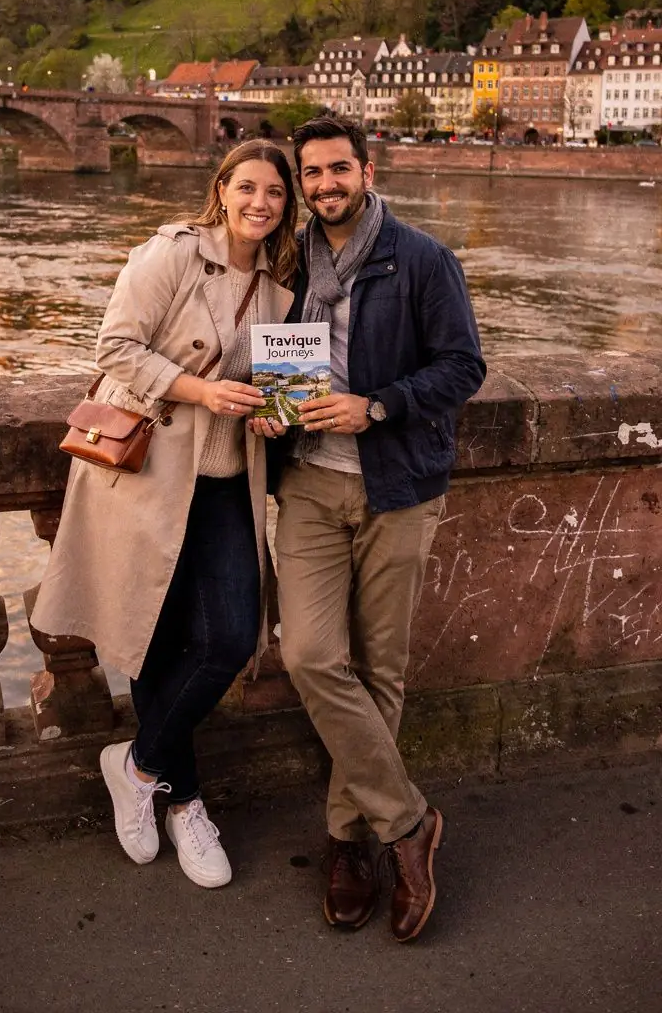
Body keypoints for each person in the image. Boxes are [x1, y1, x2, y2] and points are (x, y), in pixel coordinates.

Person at [32, 140, 297, 888]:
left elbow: (281, 385)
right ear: (223, 189)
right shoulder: (175, 254)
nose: (261, 203)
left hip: (223, 484)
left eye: (275, 192)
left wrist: (278, 415)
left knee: (230, 638)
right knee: (158, 642)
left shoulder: (282, 286)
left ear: (287, 204)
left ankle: (137, 766)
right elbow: (114, 346)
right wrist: (201, 391)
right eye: (247, 187)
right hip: (150, 476)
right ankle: (186, 804)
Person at [256, 115, 485, 941]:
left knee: (380, 671)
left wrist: (377, 405)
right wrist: (270, 410)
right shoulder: (286, 260)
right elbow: (269, 353)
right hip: (312, 486)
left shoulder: (421, 258)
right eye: (311, 175)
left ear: (366, 169)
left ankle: (350, 842)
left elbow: (464, 366)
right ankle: (410, 823)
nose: (324, 186)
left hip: (397, 485)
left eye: (337, 171)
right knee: (311, 654)